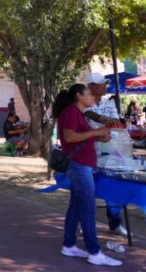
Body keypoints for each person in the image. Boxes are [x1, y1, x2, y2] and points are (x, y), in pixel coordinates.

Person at [52, 83, 122, 266]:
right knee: (87, 208)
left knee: (76, 206)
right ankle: (95, 252)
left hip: (82, 165)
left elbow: (79, 137)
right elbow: (68, 137)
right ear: (79, 95)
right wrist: (96, 131)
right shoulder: (71, 112)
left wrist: (98, 136)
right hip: (79, 166)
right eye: (89, 93)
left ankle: (69, 245)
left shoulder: (77, 113)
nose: (93, 97)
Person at [82, 73, 128, 237]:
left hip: (111, 149)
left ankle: (115, 222)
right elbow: (89, 114)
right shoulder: (84, 101)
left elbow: (115, 121)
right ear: (91, 86)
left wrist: (109, 123)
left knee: (113, 187)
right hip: (89, 152)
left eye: (105, 84)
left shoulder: (110, 102)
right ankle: (85, 223)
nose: (105, 86)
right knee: (89, 189)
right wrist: (103, 119)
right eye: (102, 84)